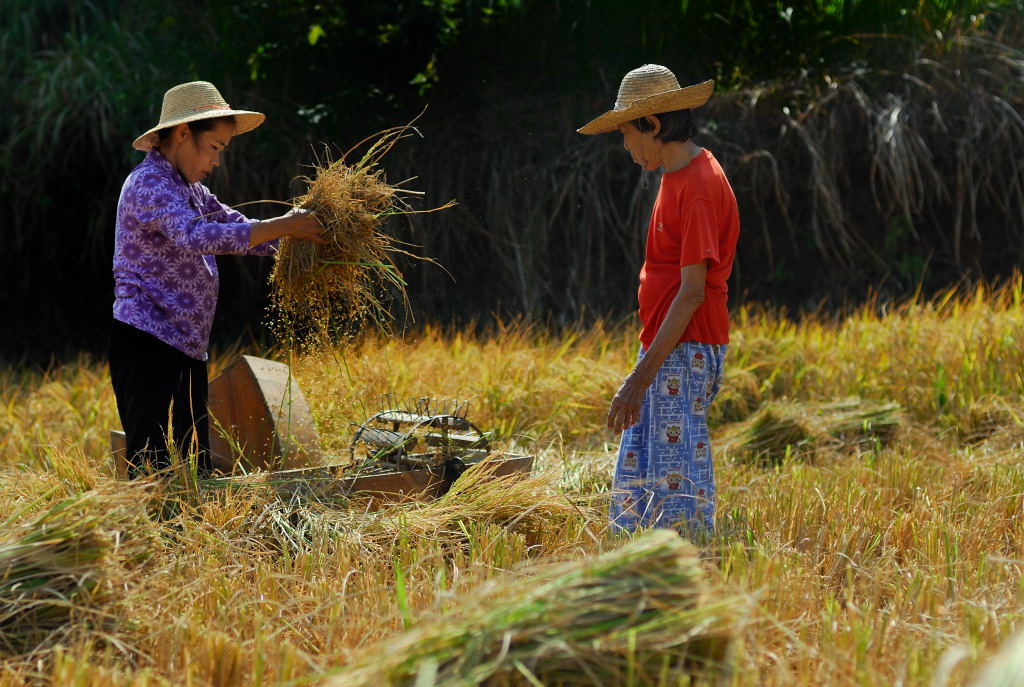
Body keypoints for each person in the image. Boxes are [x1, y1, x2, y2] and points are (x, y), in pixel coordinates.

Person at [109, 80, 326, 477]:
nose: (217, 162)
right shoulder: (148, 184)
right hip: (146, 339)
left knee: (196, 462)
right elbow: (195, 235)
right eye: (214, 148)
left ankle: (194, 536)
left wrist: (307, 244)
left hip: (186, 344)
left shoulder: (193, 191)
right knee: (152, 465)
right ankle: (154, 537)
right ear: (182, 134)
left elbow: (241, 229)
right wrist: (284, 224)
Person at [577, 64, 740, 536]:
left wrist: (637, 379)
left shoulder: (700, 187)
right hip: (666, 349)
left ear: (652, 125)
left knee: (674, 475)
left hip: (684, 348)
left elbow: (692, 294)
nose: (626, 148)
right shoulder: (675, 176)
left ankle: (686, 565)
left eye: (628, 134)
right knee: (644, 466)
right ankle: (639, 569)